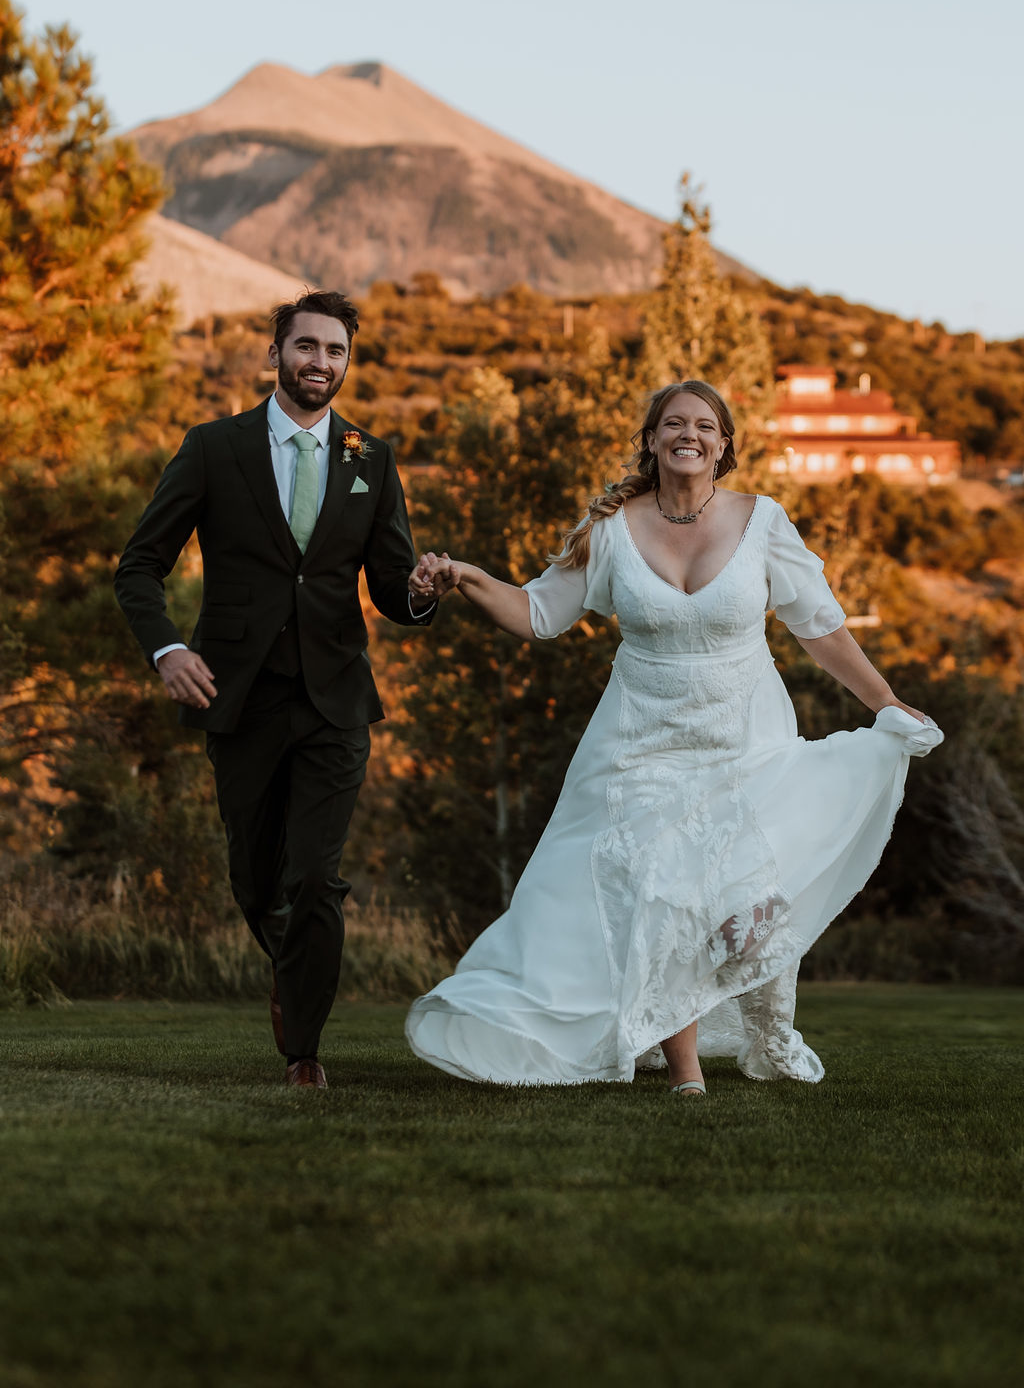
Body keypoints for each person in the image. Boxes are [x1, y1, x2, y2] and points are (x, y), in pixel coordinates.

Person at [405, 380, 942, 1095]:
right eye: (674, 424)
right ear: (653, 440)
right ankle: (684, 1071)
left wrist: (887, 703)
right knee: (660, 886)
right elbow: (538, 614)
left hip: (743, 735)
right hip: (639, 741)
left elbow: (821, 628)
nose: (689, 434)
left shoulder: (763, 520)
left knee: (735, 902)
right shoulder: (612, 529)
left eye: (705, 426)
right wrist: (467, 578)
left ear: (723, 446)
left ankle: (744, 1028)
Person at [115, 290, 435, 1089]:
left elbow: (394, 590)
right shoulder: (213, 449)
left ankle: (304, 1052)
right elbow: (138, 567)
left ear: (347, 363)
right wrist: (167, 650)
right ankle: (291, 976)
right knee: (258, 881)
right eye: (307, 347)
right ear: (276, 354)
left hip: (336, 701)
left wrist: (423, 589)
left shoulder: (372, 460)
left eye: (335, 351)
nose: (320, 362)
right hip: (239, 695)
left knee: (316, 877)